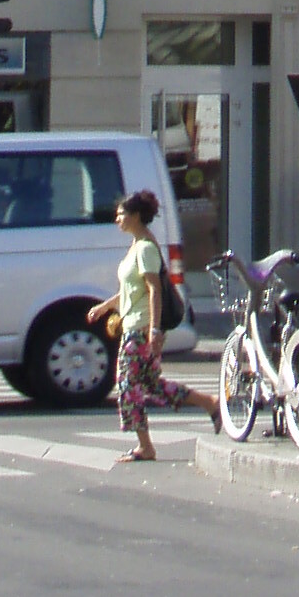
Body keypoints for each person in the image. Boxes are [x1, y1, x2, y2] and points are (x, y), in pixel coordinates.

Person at [92, 189, 218, 460]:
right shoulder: (137, 245)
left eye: (122, 214)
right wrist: (105, 306)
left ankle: (145, 446)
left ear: (136, 216)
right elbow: (131, 290)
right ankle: (209, 403)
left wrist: (154, 330)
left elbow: (154, 290)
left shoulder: (146, 248)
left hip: (140, 329)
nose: (117, 219)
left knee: (127, 384)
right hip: (135, 326)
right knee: (151, 384)